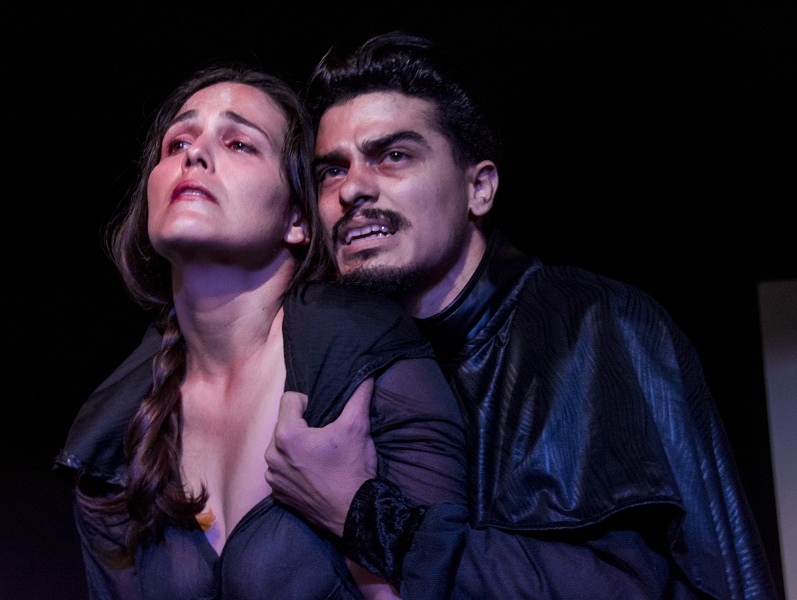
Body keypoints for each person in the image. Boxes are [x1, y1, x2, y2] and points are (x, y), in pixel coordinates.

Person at [263, 32, 780, 599]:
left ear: (479, 188)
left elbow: (618, 586)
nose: (353, 189)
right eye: (331, 171)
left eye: (394, 156)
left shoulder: (589, 324)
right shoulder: (333, 359)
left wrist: (362, 514)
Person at [53, 64, 468, 599]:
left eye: (239, 144)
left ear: (298, 217)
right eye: (178, 142)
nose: (194, 155)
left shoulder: (363, 352)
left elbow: (445, 579)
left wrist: (355, 513)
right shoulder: (114, 435)